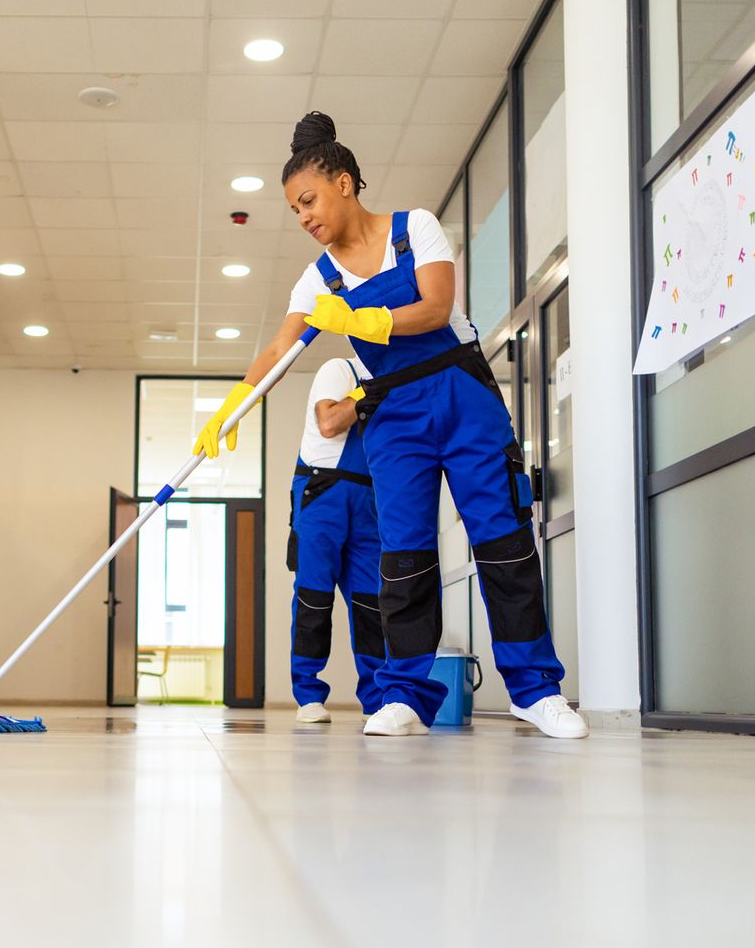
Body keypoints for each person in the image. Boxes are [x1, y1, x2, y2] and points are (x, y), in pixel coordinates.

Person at [195, 112, 587, 740]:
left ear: (344, 183)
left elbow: (435, 305)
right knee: (403, 555)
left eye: (308, 201)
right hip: (394, 416)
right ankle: (404, 693)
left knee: (504, 540)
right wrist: (234, 403)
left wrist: (366, 317)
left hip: (462, 396)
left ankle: (535, 691)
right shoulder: (317, 278)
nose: (304, 218)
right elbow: (278, 348)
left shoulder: (415, 229)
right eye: (294, 210)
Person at [287, 354, 385, 724]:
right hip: (322, 488)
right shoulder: (340, 369)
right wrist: (369, 391)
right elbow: (328, 423)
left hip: (370, 498)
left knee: (372, 601)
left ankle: (377, 698)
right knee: (314, 594)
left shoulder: (398, 376)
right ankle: (308, 695)